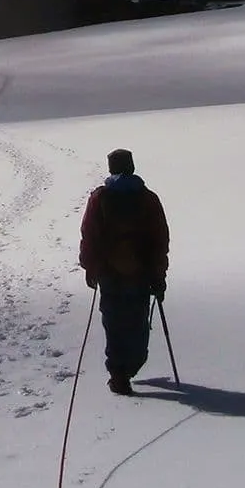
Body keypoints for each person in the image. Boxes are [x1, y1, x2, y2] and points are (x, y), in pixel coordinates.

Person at [78, 148, 170, 396]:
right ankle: (133, 363)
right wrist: (159, 274)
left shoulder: (100, 197)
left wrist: (90, 267)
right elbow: (160, 239)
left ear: (111, 168)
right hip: (140, 272)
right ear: (132, 167)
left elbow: (89, 234)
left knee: (114, 322)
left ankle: (119, 375)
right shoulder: (148, 198)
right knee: (137, 320)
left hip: (109, 272)